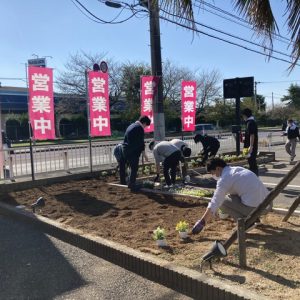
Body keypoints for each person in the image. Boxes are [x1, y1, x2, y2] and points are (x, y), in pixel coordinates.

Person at [191, 158, 269, 234]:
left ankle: (247, 223)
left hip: (256, 209)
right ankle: (255, 219)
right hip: (267, 205)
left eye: (212, 173)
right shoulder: (237, 169)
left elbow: (215, 201)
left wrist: (202, 221)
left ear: (218, 168)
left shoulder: (225, 178)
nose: (213, 175)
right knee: (231, 196)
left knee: (223, 202)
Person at [119, 116, 151, 191]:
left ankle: (126, 181)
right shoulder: (139, 128)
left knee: (128, 167)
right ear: (144, 123)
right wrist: (145, 155)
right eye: (146, 126)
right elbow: (141, 143)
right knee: (134, 168)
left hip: (125, 150)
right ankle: (132, 184)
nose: (145, 128)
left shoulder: (131, 125)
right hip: (132, 151)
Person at [242, 108, 258, 176]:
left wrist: (251, 146)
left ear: (245, 115)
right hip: (249, 145)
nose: (243, 118)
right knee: (250, 161)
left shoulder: (250, 123)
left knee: (252, 162)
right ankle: (254, 178)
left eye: (243, 116)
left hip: (250, 146)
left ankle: (255, 178)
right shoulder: (250, 122)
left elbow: (252, 134)